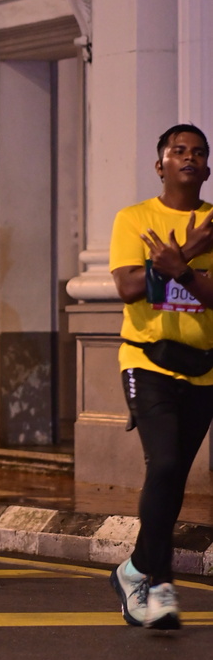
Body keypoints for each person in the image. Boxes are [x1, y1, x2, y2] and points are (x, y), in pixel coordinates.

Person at [109, 123, 213, 629]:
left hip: (203, 368)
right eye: (178, 150)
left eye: (199, 152)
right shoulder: (134, 218)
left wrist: (180, 268)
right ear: (160, 165)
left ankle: (133, 568)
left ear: (207, 169)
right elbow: (129, 287)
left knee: (172, 479)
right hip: (146, 360)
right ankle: (159, 584)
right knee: (165, 461)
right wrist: (187, 254)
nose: (189, 158)